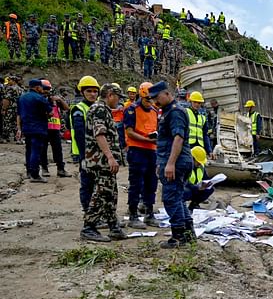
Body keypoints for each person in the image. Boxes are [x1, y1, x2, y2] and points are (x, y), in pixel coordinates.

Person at [149, 81, 195, 248]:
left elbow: (178, 138)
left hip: (176, 162)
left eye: (157, 98)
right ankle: (188, 234)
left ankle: (178, 237)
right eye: (152, 99)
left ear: (167, 93)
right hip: (175, 160)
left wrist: (170, 164)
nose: (155, 102)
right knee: (178, 197)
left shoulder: (175, 112)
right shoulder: (168, 111)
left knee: (170, 198)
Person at [80, 83, 126, 242]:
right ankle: (89, 227)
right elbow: (100, 134)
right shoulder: (99, 109)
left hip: (102, 160)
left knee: (110, 193)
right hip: (101, 160)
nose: (119, 101)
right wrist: (110, 157)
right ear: (111, 95)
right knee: (101, 193)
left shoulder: (101, 109)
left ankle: (114, 226)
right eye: (118, 97)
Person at [123, 82, 160, 229]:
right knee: (136, 183)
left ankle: (149, 213)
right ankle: (133, 214)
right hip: (137, 149)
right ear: (141, 96)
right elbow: (129, 131)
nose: (149, 102)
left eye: (151, 99)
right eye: (146, 99)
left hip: (151, 150)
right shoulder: (131, 110)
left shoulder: (154, 111)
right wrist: (146, 139)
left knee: (151, 182)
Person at [71, 75, 101, 210]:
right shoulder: (79, 109)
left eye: (95, 91)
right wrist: (84, 156)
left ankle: (96, 211)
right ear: (82, 92)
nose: (92, 94)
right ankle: (88, 212)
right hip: (86, 152)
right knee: (87, 184)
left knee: (98, 184)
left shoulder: (98, 107)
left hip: (97, 152)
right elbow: (79, 134)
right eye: (89, 91)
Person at [16, 79, 52, 183]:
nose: (42, 89)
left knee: (29, 150)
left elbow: (18, 114)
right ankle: (35, 174)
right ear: (37, 87)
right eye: (41, 87)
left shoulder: (21, 98)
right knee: (36, 151)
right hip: (38, 127)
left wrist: (19, 128)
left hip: (26, 128)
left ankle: (29, 172)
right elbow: (50, 113)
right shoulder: (40, 98)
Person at [39, 79, 70, 178]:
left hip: (55, 128)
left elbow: (67, 108)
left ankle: (60, 169)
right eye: (44, 89)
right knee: (43, 149)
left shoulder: (55, 98)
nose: (46, 91)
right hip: (42, 127)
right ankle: (44, 168)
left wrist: (59, 100)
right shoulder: (37, 98)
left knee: (57, 149)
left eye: (48, 89)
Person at [184, 146, 215, 211]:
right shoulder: (185, 166)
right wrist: (197, 187)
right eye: (198, 161)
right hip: (188, 188)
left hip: (197, 188)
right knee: (186, 192)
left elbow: (206, 178)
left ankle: (194, 204)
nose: (200, 164)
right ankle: (181, 206)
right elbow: (184, 183)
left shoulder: (201, 166)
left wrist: (209, 183)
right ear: (192, 158)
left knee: (210, 189)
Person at [187, 91, 212, 155]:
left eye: (199, 103)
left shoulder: (202, 117)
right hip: (188, 146)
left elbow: (205, 135)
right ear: (190, 102)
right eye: (194, 102)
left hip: (200, 147)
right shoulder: (185, 113)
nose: (197, 104)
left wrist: (209, 151)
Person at [1, 75, 24, 143]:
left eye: (10, 80)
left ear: (13, 81)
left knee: (7, 122)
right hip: (19, 108)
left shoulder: (10, 88)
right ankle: (18, 138)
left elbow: (6, 100)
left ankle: (5, 138)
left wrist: (4, 109)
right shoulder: (21, 89)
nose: (8, 81)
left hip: (11, 108)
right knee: (17, 123)